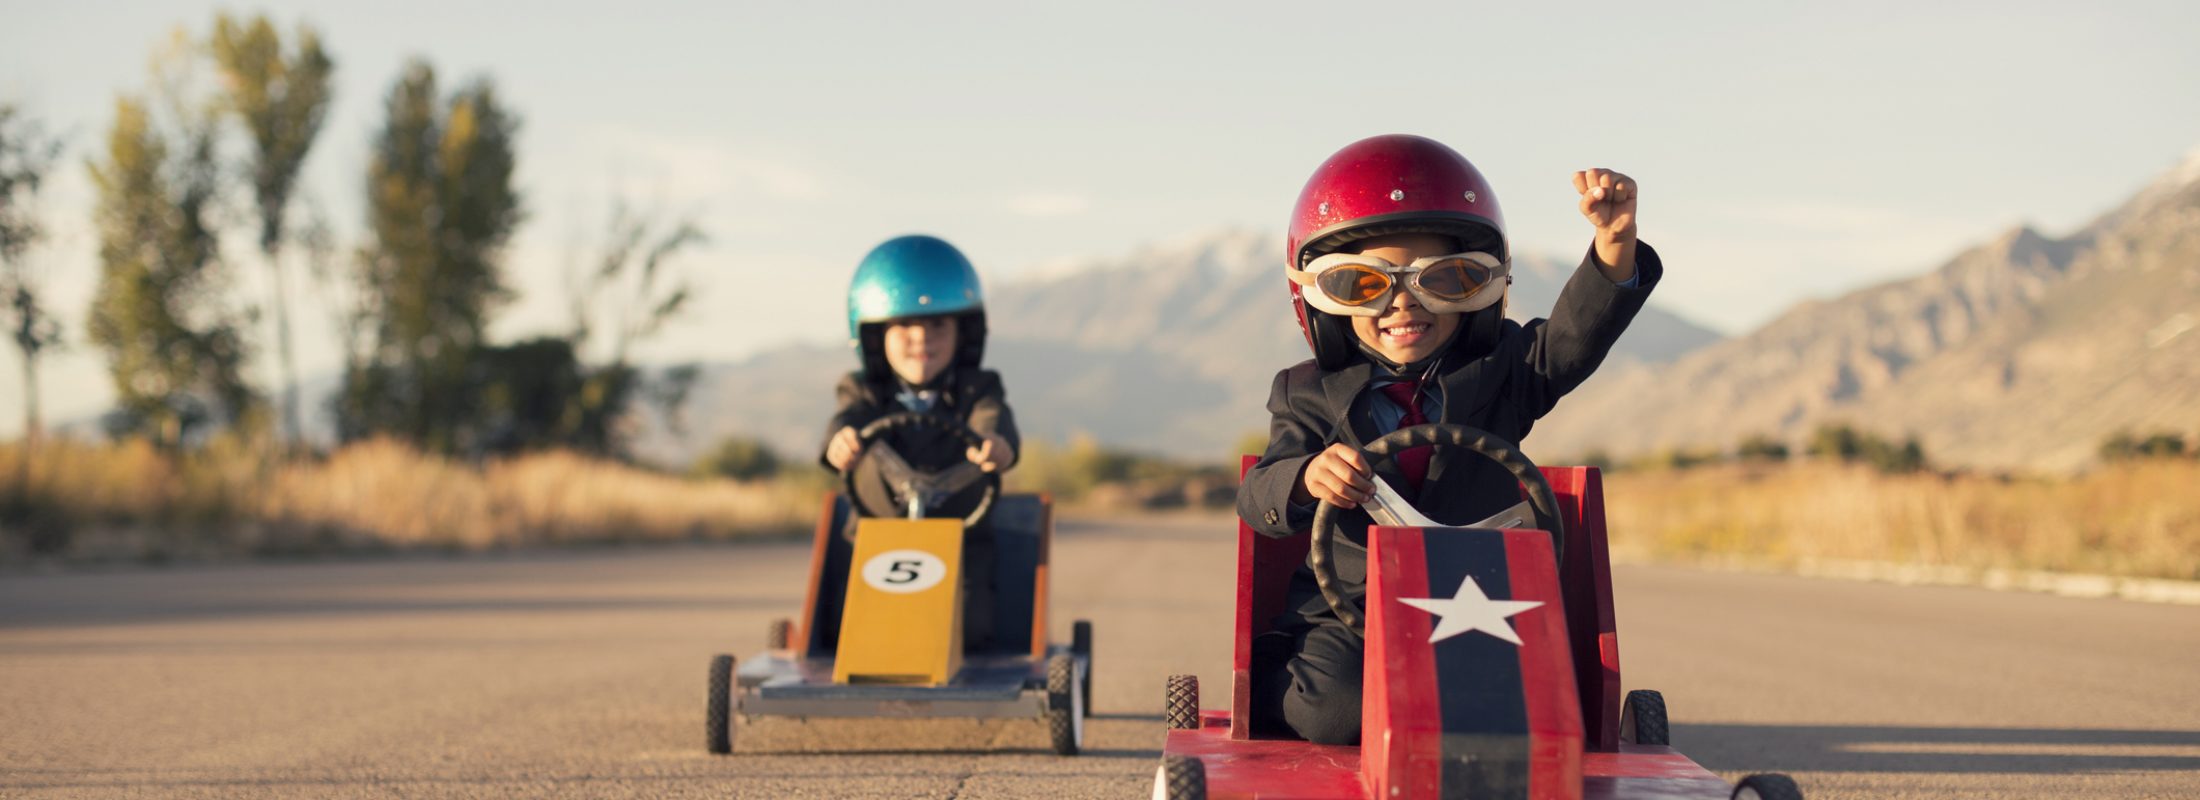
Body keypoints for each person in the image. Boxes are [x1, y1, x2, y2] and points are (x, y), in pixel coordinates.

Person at [1237, 134, 1661, 744]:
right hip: (1350, 614)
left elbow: (1572, 340)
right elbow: (1258, 495)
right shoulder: (1305, 392)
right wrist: (1306, 478)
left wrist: (1614, 246)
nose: (1403, 305)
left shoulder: (1506, 371)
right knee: (1334, 712)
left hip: (1485, 602)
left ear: (1483, 288)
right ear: (1322, 298)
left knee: (1533, 712)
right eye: (1364, 286)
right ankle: (1279, 680)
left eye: (1445, 279)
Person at [821, 234, 1019, 652]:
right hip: (876, 536)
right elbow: (845, 421)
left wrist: (993, 443)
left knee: (975, 621)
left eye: (937, 325)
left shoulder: (979, 388)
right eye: (905, 325)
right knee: (846, 616)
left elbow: (993, 419)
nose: (921, 338)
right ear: (875, 337)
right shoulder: (862, 391)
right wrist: (839, 443)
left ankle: (961, 652)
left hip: (959, 537)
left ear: (964, 332)